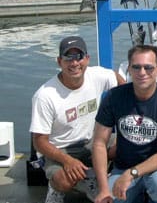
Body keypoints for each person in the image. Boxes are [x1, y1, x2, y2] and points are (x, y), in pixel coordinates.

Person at [29, 35, 125, 203]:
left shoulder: (96, 75)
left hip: (92, 141)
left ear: (87, 59)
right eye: (68, 57)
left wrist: (128, 102)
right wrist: (67, 161)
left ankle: (101, 177)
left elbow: (116, 78)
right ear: (59, 61)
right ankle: (57, 189)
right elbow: (39, 141)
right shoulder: (45, 95)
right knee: (64, 180)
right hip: (60, 149)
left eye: (79, 57)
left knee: (129, 142)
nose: (74, 63)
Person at [92, 44, 157, 203]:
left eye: (148, 67)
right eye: (136, 67)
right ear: (129, 69)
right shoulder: (113, 97)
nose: (142, 73)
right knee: (111, 200)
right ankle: (138, 194)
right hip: (123, 167)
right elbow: (99, 143)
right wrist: (104, 189)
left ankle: (148, 195)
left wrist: (132, 173)